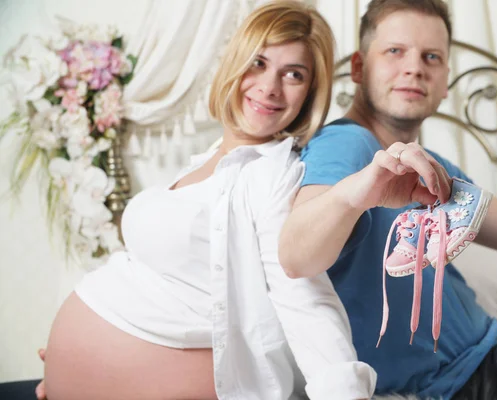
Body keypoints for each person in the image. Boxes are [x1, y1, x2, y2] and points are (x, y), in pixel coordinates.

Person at [27, 2, 378, 399]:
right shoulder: (207, 160)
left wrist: (344, 392)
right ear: (235, 64)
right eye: (258, 63)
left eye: (293, 74)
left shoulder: (272, 174)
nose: (269, 87)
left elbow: (305, 298)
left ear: (310, 93)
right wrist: (69, 361)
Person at [278, 0, 497, 399]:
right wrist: (357, 192)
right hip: (455, 384)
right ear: (359, 68)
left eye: (431, 56)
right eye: (395, 51)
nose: (414, 67)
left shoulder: (430, 163)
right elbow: (294, 256)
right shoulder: (345, 144)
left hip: (492, 339)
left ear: (446, 80)